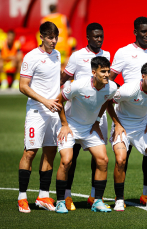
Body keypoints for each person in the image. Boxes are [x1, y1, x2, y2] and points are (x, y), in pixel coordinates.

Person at [110, 16, 147, 205]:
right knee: (124, 155)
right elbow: (110, 78)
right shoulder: (123, 52)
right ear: (135, 32)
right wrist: (123, 92)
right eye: (143, 31)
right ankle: (119, 197)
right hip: (127, 105)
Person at [55, 56, 117, 213]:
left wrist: (97, 121)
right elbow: (58, 101)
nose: (106, 74)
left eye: (108, 71)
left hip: (89, 129)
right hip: (70, 127)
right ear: (93, 72)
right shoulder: (78, 85)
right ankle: (61, 201)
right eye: (103, 71)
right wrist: (64, 124)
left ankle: (97, 201)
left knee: (103, 160)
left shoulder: (112, 87)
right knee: (67, 161)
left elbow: (107, 101)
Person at [60, 22, 110, 211]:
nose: (99, 39)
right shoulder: (77, 56)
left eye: (101, 36)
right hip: (76, 115)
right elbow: (64, 79)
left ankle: (94, 196)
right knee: (71, 157)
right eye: (95, 36)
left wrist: (99, 117)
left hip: (98, 116)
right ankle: (66, 196)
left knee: (99, 157)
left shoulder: (106, 55)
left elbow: (107, 87)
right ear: (88, 37)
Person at [109, 62, 147, 211]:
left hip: (142, 126)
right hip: (123, 126)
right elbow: (108, 102)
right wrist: (117, 124)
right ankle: (120, 200)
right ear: (143, 76)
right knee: (121, 160)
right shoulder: (128, 90)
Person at [17, 21, 61, 213]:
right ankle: (22, 197)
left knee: (50, 152)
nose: (54, 41)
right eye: (50, 37)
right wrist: (45, 101)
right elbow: (23, 86)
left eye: (56, 37)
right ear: (41, 36)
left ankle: (43, 195)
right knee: (30, 152)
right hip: (37, 111)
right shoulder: (31, 57)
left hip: (54, 112)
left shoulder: (58, 55)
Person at [41, 4, 71, 68]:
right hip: (62, 46)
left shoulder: (44, 20)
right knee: (63, 66)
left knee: (52, 66)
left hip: (50, 47)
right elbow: (69, 31)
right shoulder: (63, 18)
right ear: (56, 9)